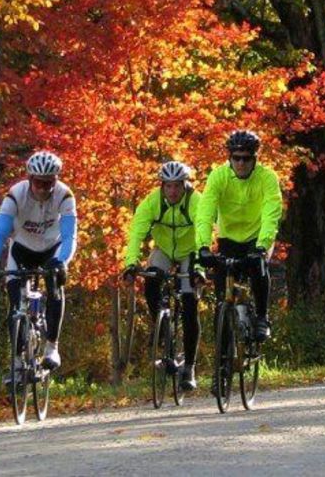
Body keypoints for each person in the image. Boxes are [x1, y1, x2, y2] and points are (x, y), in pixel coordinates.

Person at [0, 151, 77, 372]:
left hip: (51, 250)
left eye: (48, 183)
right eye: (38, 183)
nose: (43, 189)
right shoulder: (15, 196)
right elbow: (0, 234)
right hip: (22, 249)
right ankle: (16, 361)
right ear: (29, 178)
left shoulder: (64, 196)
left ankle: (52, 347)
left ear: (55, 180)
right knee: (15, 305)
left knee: (55, 287)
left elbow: (69, 235)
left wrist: (62, 261)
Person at [121, 160, 203, 390]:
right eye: (168, 186)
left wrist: (200, 269)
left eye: (178, 186)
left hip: (190, 250)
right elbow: (136, 233)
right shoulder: (152, 202)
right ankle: (164, 331)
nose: (173, 191)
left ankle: (189, 367)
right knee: (151, 280)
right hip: (164, 249)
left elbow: (204, 231)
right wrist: (130, 263)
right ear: (162, 186)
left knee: (189, 302)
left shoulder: (196, 201)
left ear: (185, 185)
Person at [195, 130, 283, 342]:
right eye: (236, 158)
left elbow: (272, 214)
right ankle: (222, 360)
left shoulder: (267, 178)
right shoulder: (218, 177)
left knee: (259, 269)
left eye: (246, 158)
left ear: (255, 158)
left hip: (257, 237)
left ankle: (262, 317)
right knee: (222, 297)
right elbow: (205, 213)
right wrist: (204, 247)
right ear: (229, 158)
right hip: (229, 239)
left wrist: (262, 246)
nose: (241, 163)